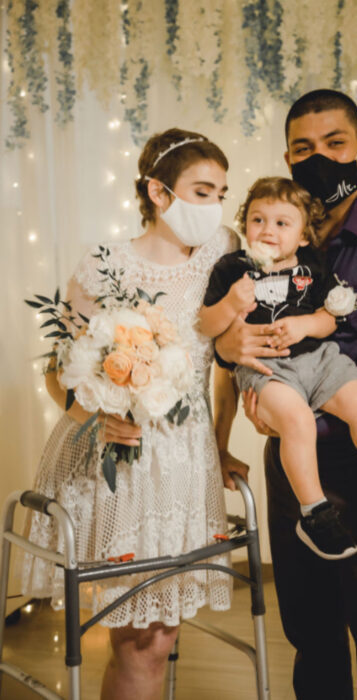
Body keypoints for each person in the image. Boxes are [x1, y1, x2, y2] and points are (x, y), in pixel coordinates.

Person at [216, 90, 357, 699]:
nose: (319, 159)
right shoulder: (268, 251)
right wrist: (237, 352)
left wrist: (300, 412)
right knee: (310, 634)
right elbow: (226, 336)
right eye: (303, 149)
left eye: (334, 144)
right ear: (287, 160)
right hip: (294, 466)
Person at [21, 128, 248, 700]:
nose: (215, 204)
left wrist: (220, 446)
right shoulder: (105, 265)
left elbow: (223, 368)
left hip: (186, 468)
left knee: (156, 639)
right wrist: (94, 418)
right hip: (122, 467)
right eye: (202, 189)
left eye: (221, 190)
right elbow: (58, 372)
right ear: (159, 191)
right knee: (139, 639)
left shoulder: (225, 252)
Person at [200, 175, 357, 561]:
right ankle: (314, 511)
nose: (268, 230)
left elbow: (332, 317)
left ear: (303, 236)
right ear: (245, 223)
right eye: (258, 220)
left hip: (319, 360)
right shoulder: (231, 268)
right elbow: (205, 327)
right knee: (298, 421)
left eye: (282, 223)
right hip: (267, 369)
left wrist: (305, 325)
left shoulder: (314, 267)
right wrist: (231, 304)